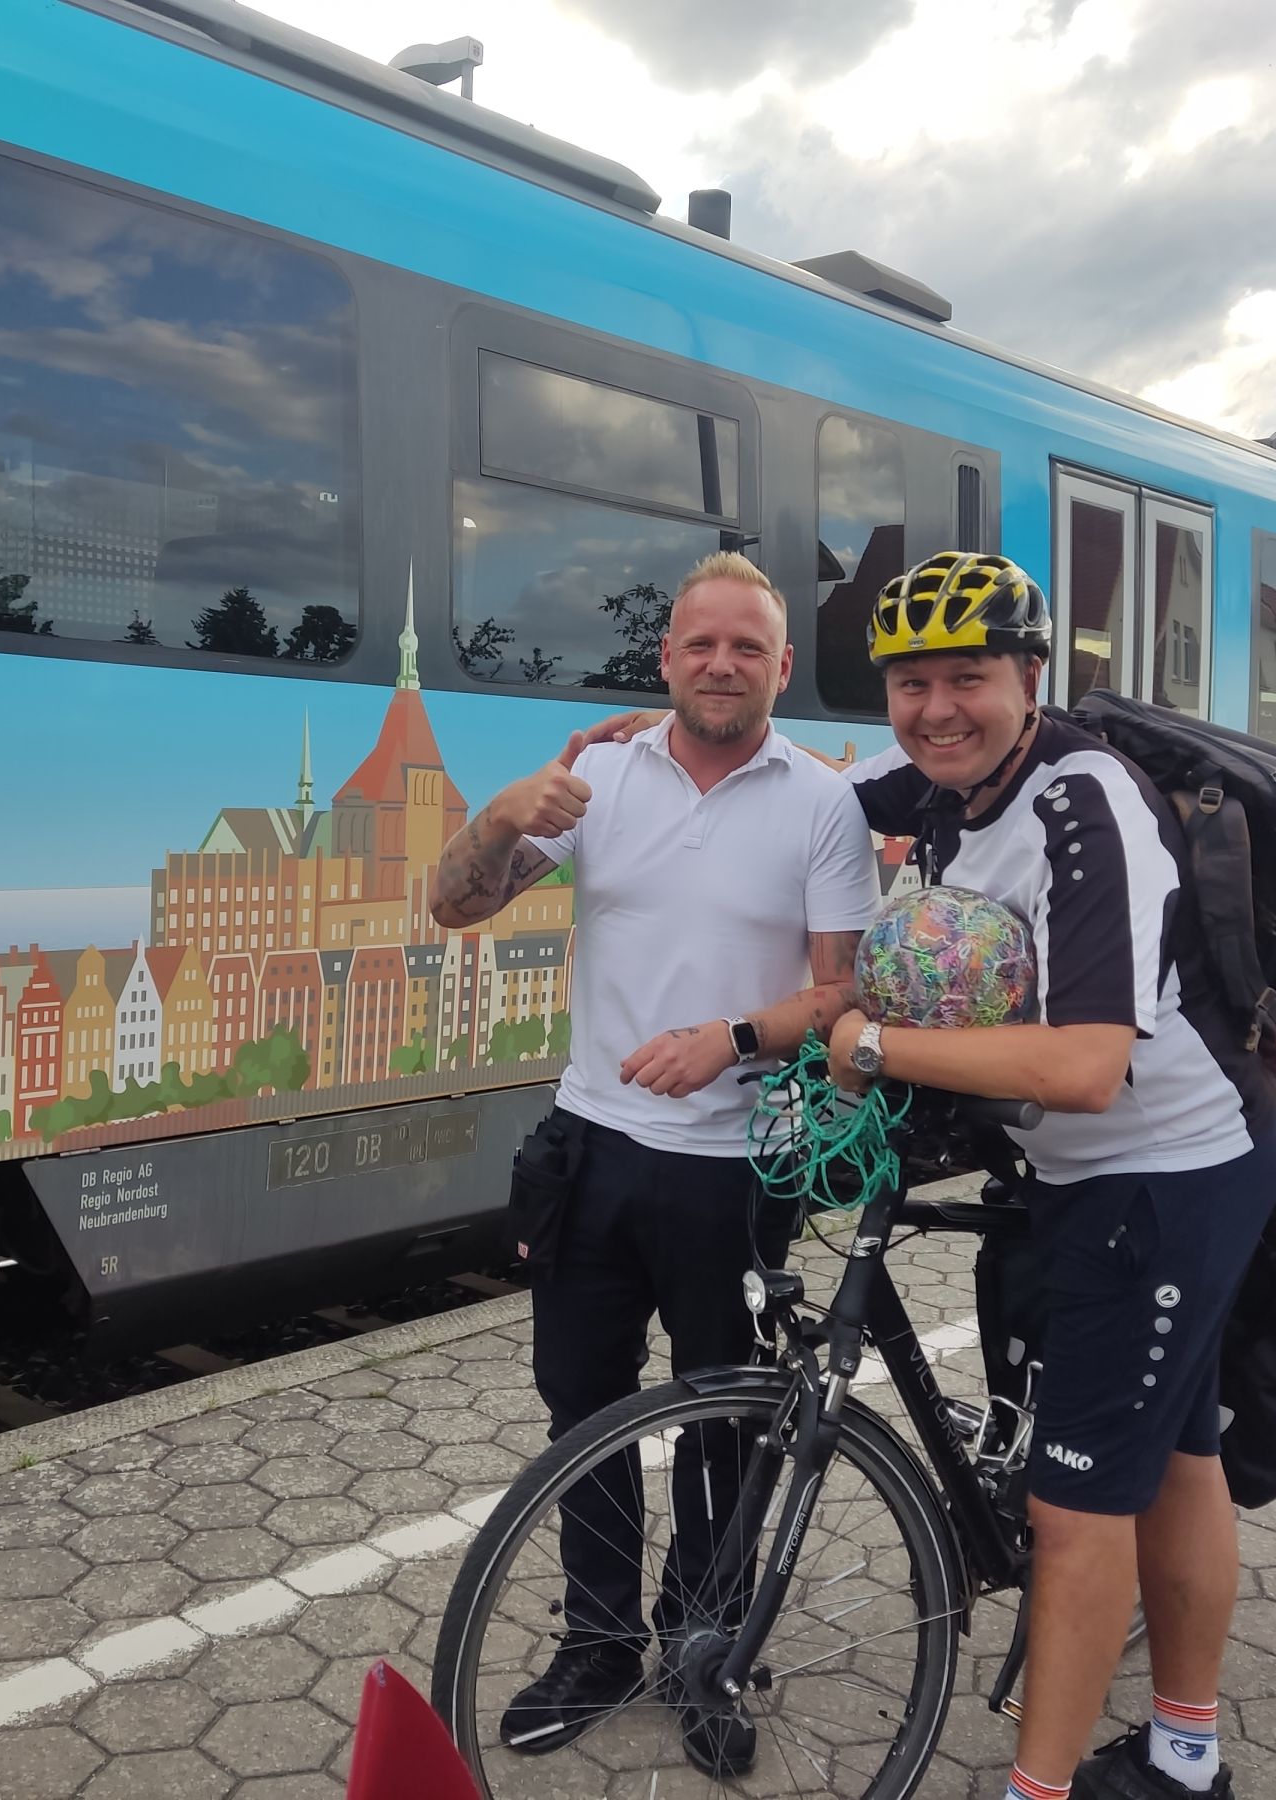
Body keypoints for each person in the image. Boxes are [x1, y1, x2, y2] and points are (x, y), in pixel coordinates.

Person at [826, 551, 1276, 1800]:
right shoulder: (942, 792)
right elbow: (802, 789)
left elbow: (1086, 1065)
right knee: (1178, 1457)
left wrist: (869, 1044)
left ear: (1031, 677)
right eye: (909, 684)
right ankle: (1186, 1758)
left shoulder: (1087, 802)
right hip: (1089, 1180)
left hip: (1169, 1173)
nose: (935, 709)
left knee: (1077, 1510)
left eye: (966, 677)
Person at [429, 549, 879, 1776]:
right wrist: (503, 817)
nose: (722, 664)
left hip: (738, 1168)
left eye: (748, 647)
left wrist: (729, 1040)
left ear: (781, 668)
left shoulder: (820, 803)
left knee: (726, 1418)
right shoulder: (598, 781)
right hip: (592, 1148)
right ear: (665, 657)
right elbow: (451, 907)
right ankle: (597, 1641)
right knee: (585, 1409)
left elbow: (841, 987)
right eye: (700, 644)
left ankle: (705, 1642)